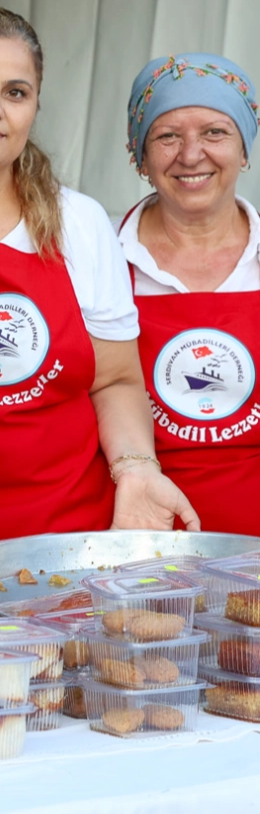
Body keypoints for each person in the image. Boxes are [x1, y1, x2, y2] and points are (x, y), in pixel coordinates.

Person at [0, 8, 196, 551]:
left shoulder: (79, 221)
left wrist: (137, 469)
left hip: (71, 532)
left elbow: (116, 379)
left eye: (16, 92)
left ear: (35, 108)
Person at [116, 52, 260, 535]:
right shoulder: (99, 258)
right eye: (167, 136)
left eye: (215, 133)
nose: (191, 154)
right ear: (140, 156)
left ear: (244, 149)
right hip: (139, 532)